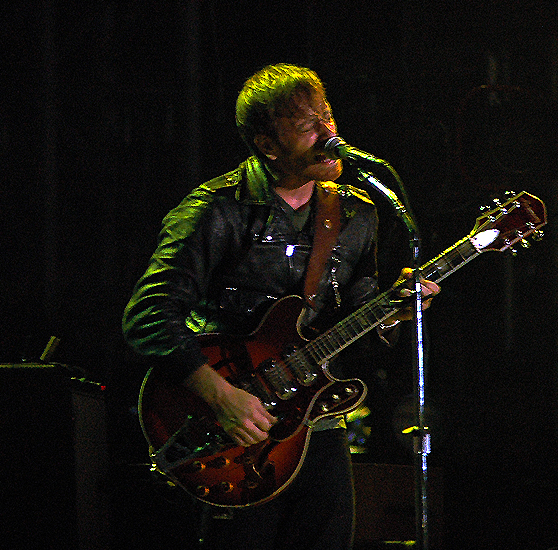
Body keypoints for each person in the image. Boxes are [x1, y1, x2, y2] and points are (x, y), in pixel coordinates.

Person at [122, 63, 439, 550]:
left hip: (317, 425)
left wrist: (395, 312)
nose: (328, 134)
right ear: (267, 145)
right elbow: (147, 316)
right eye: (308, 124)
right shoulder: (215, 209)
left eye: (327, 116)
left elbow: (360, 327)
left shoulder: (356, 213)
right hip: (231, 429)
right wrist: (221, 396)